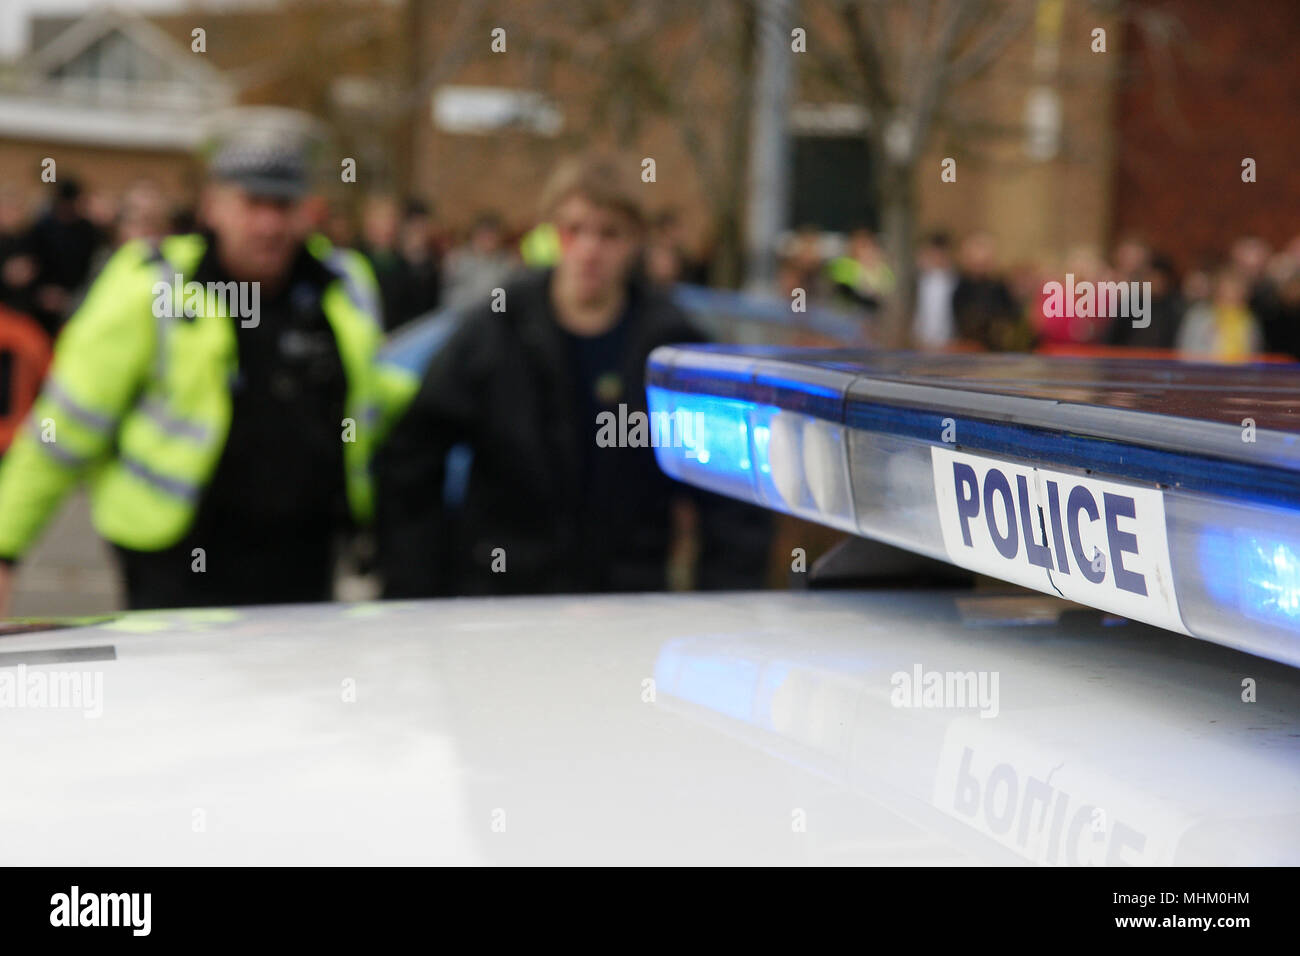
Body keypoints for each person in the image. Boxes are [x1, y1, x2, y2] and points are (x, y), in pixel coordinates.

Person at [0, 108, 409, 613]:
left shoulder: (343, 285)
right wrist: (5, 546)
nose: (268, 223)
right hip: (177, 566)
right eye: (251, 202)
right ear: (213, 205)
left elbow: (379, 397)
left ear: (307, 209)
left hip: (306, 566)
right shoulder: (153, 286)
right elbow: (66, 425)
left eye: (282, 204)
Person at [377, 152, 770, 597]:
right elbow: (411, 457)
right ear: (553, 233)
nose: (589, 249)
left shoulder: (672, 348)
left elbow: (734, 502)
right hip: (505, 605)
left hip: (628, 609)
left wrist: (721, 620)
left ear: (636, 239)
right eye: (574, 230)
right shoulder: (499, 329)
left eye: (609, 233)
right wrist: (421, 592)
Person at [1176, 267, 1261, 362]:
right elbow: (1187, 353)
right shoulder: (1199, 316)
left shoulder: (1249, 320)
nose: (1231, 296)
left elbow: (1253, 355)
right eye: (1227, 290)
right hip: (1204, 373)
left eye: (1237, 290)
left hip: (1240, 375)